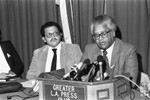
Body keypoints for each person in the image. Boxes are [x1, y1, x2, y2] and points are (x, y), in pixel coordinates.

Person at [80, 15, 138, 85]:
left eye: (104, 34)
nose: (100, 38)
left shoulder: (128, 51)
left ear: (113, 33)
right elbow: (80, 76)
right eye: (96, 35)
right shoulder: (89, 49)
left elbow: (131, 83)